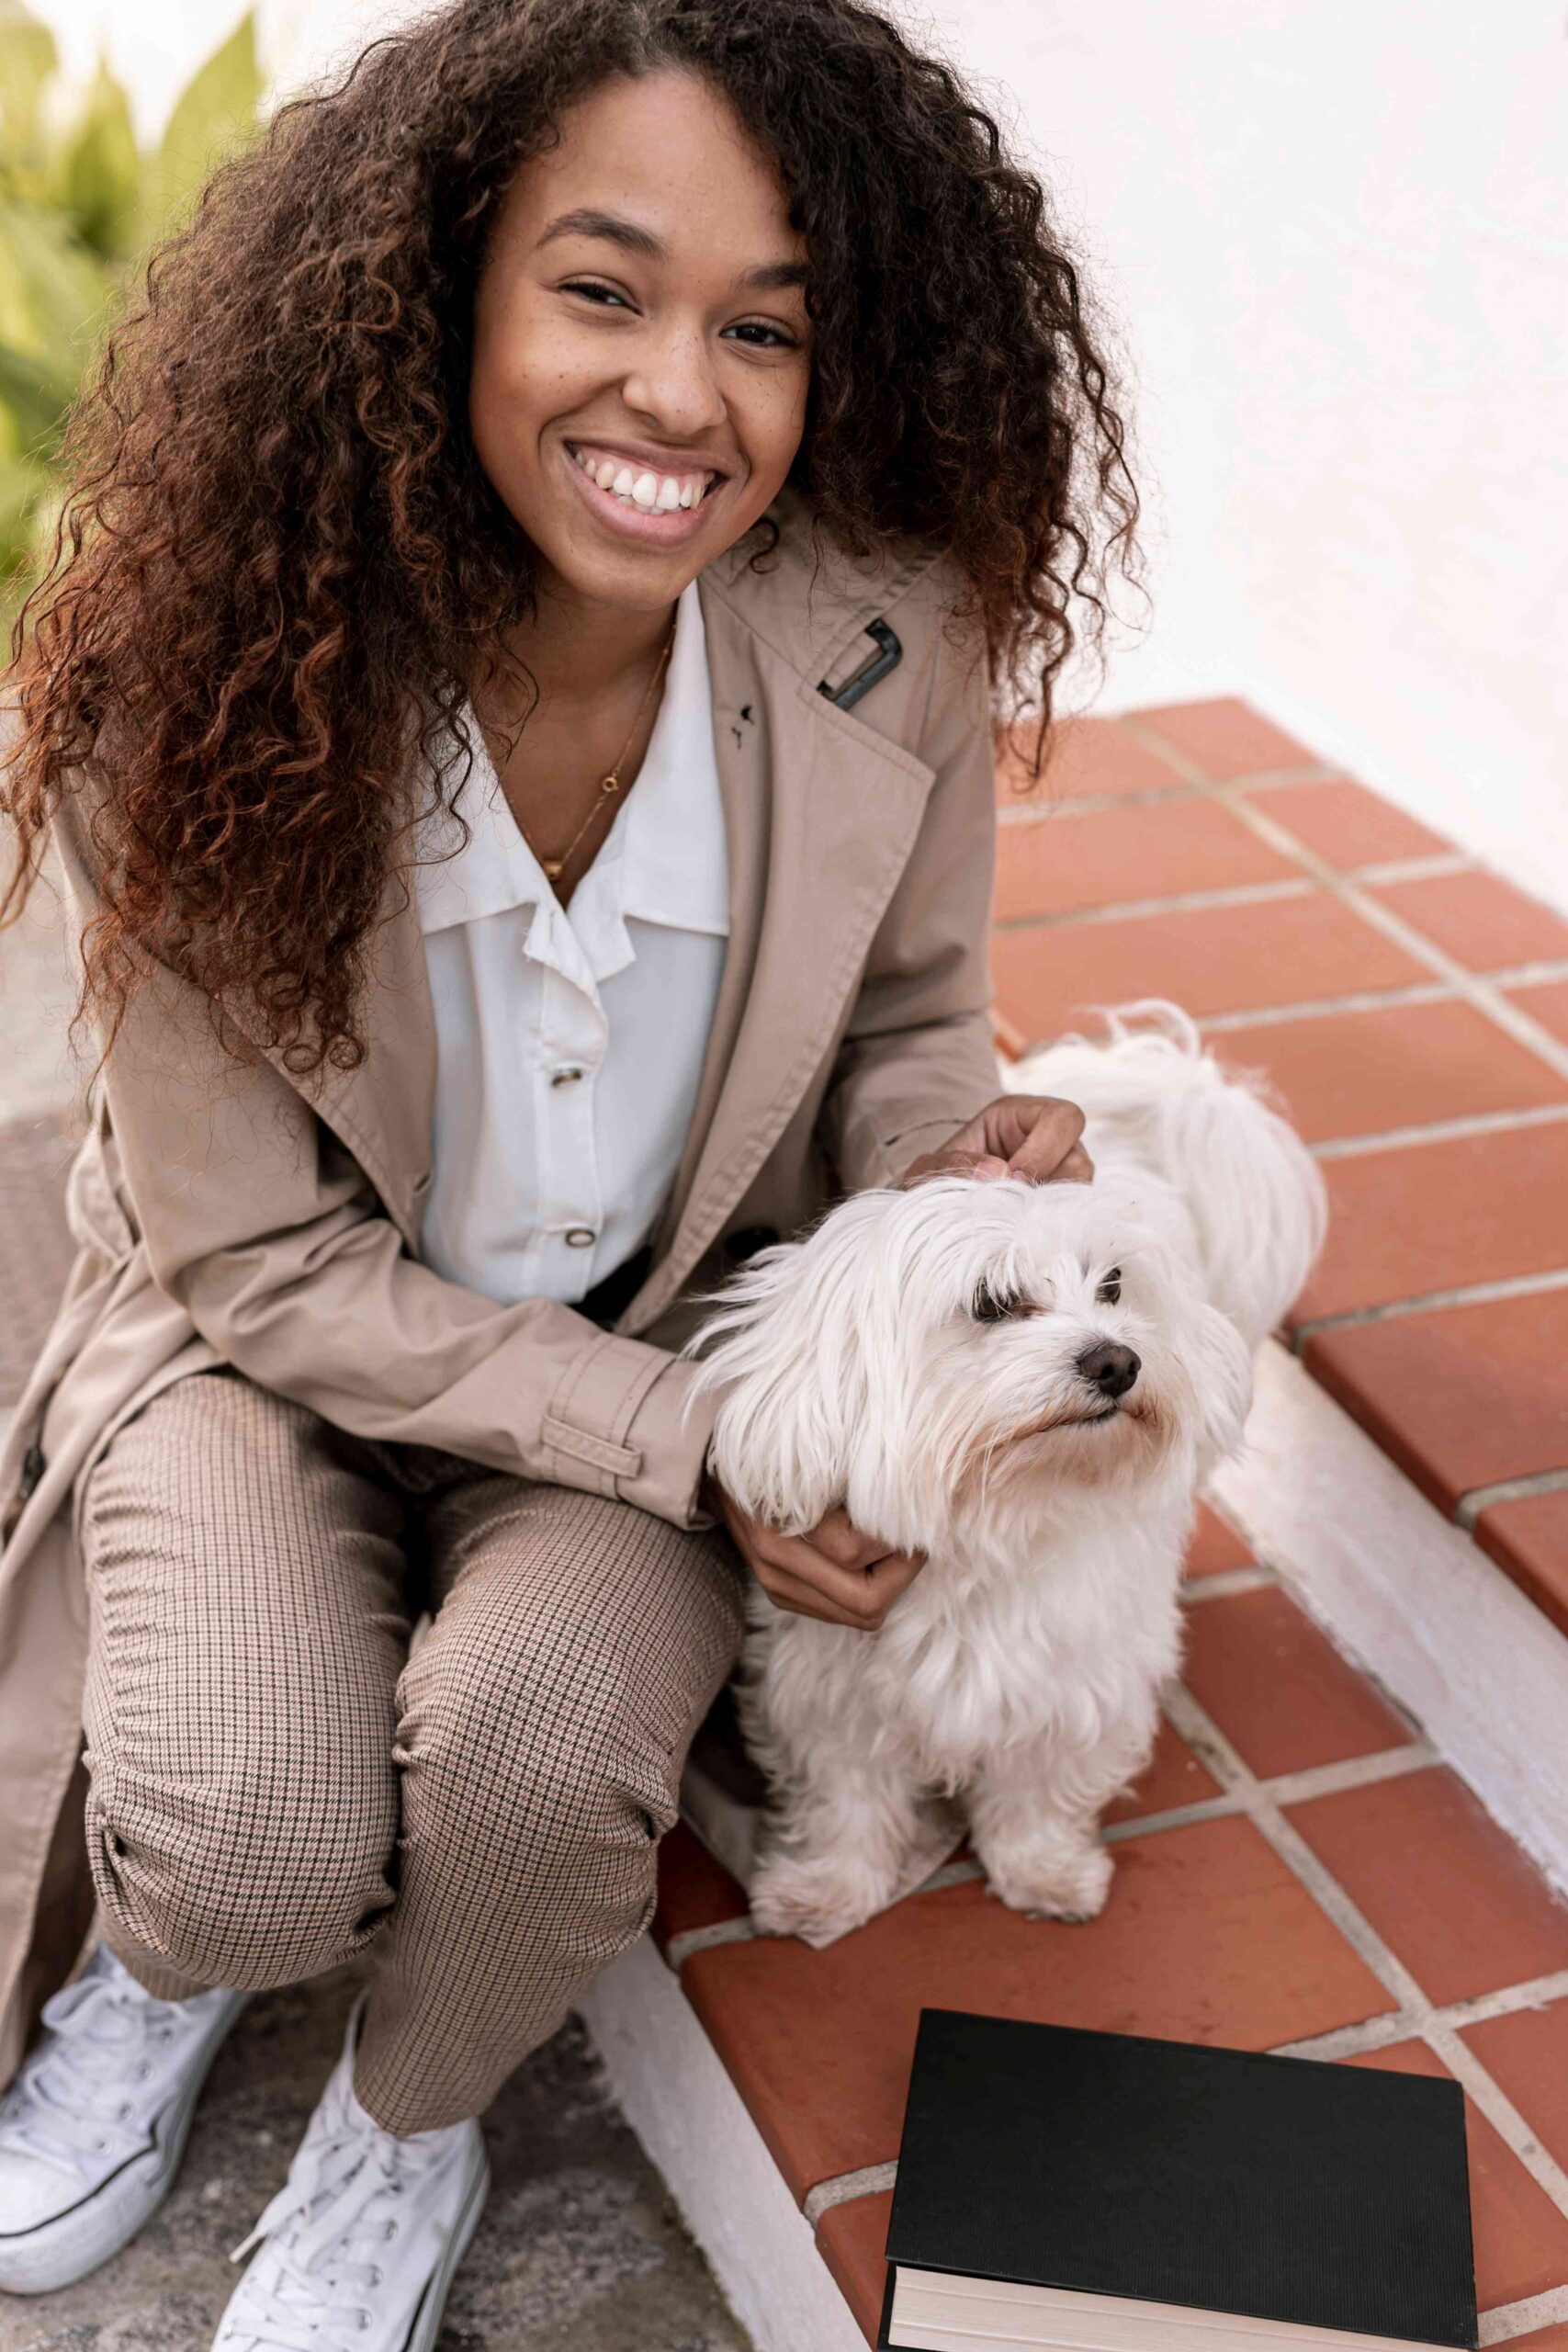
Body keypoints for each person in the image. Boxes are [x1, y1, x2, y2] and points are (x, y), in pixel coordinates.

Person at [0, 0, 1136, 2337]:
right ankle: (161, 1969)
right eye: (599, 291)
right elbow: (256, 1252)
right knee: (248, 1840)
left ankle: (399, 2128)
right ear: (442, 298)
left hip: (646, 1338)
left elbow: (908, 1027)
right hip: (270, 1358)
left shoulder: (877, 639)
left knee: (534, 1779)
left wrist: (953, 1163)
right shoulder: (199, 677)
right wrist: (689, 1440)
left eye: (762, 329)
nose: (683, 398)